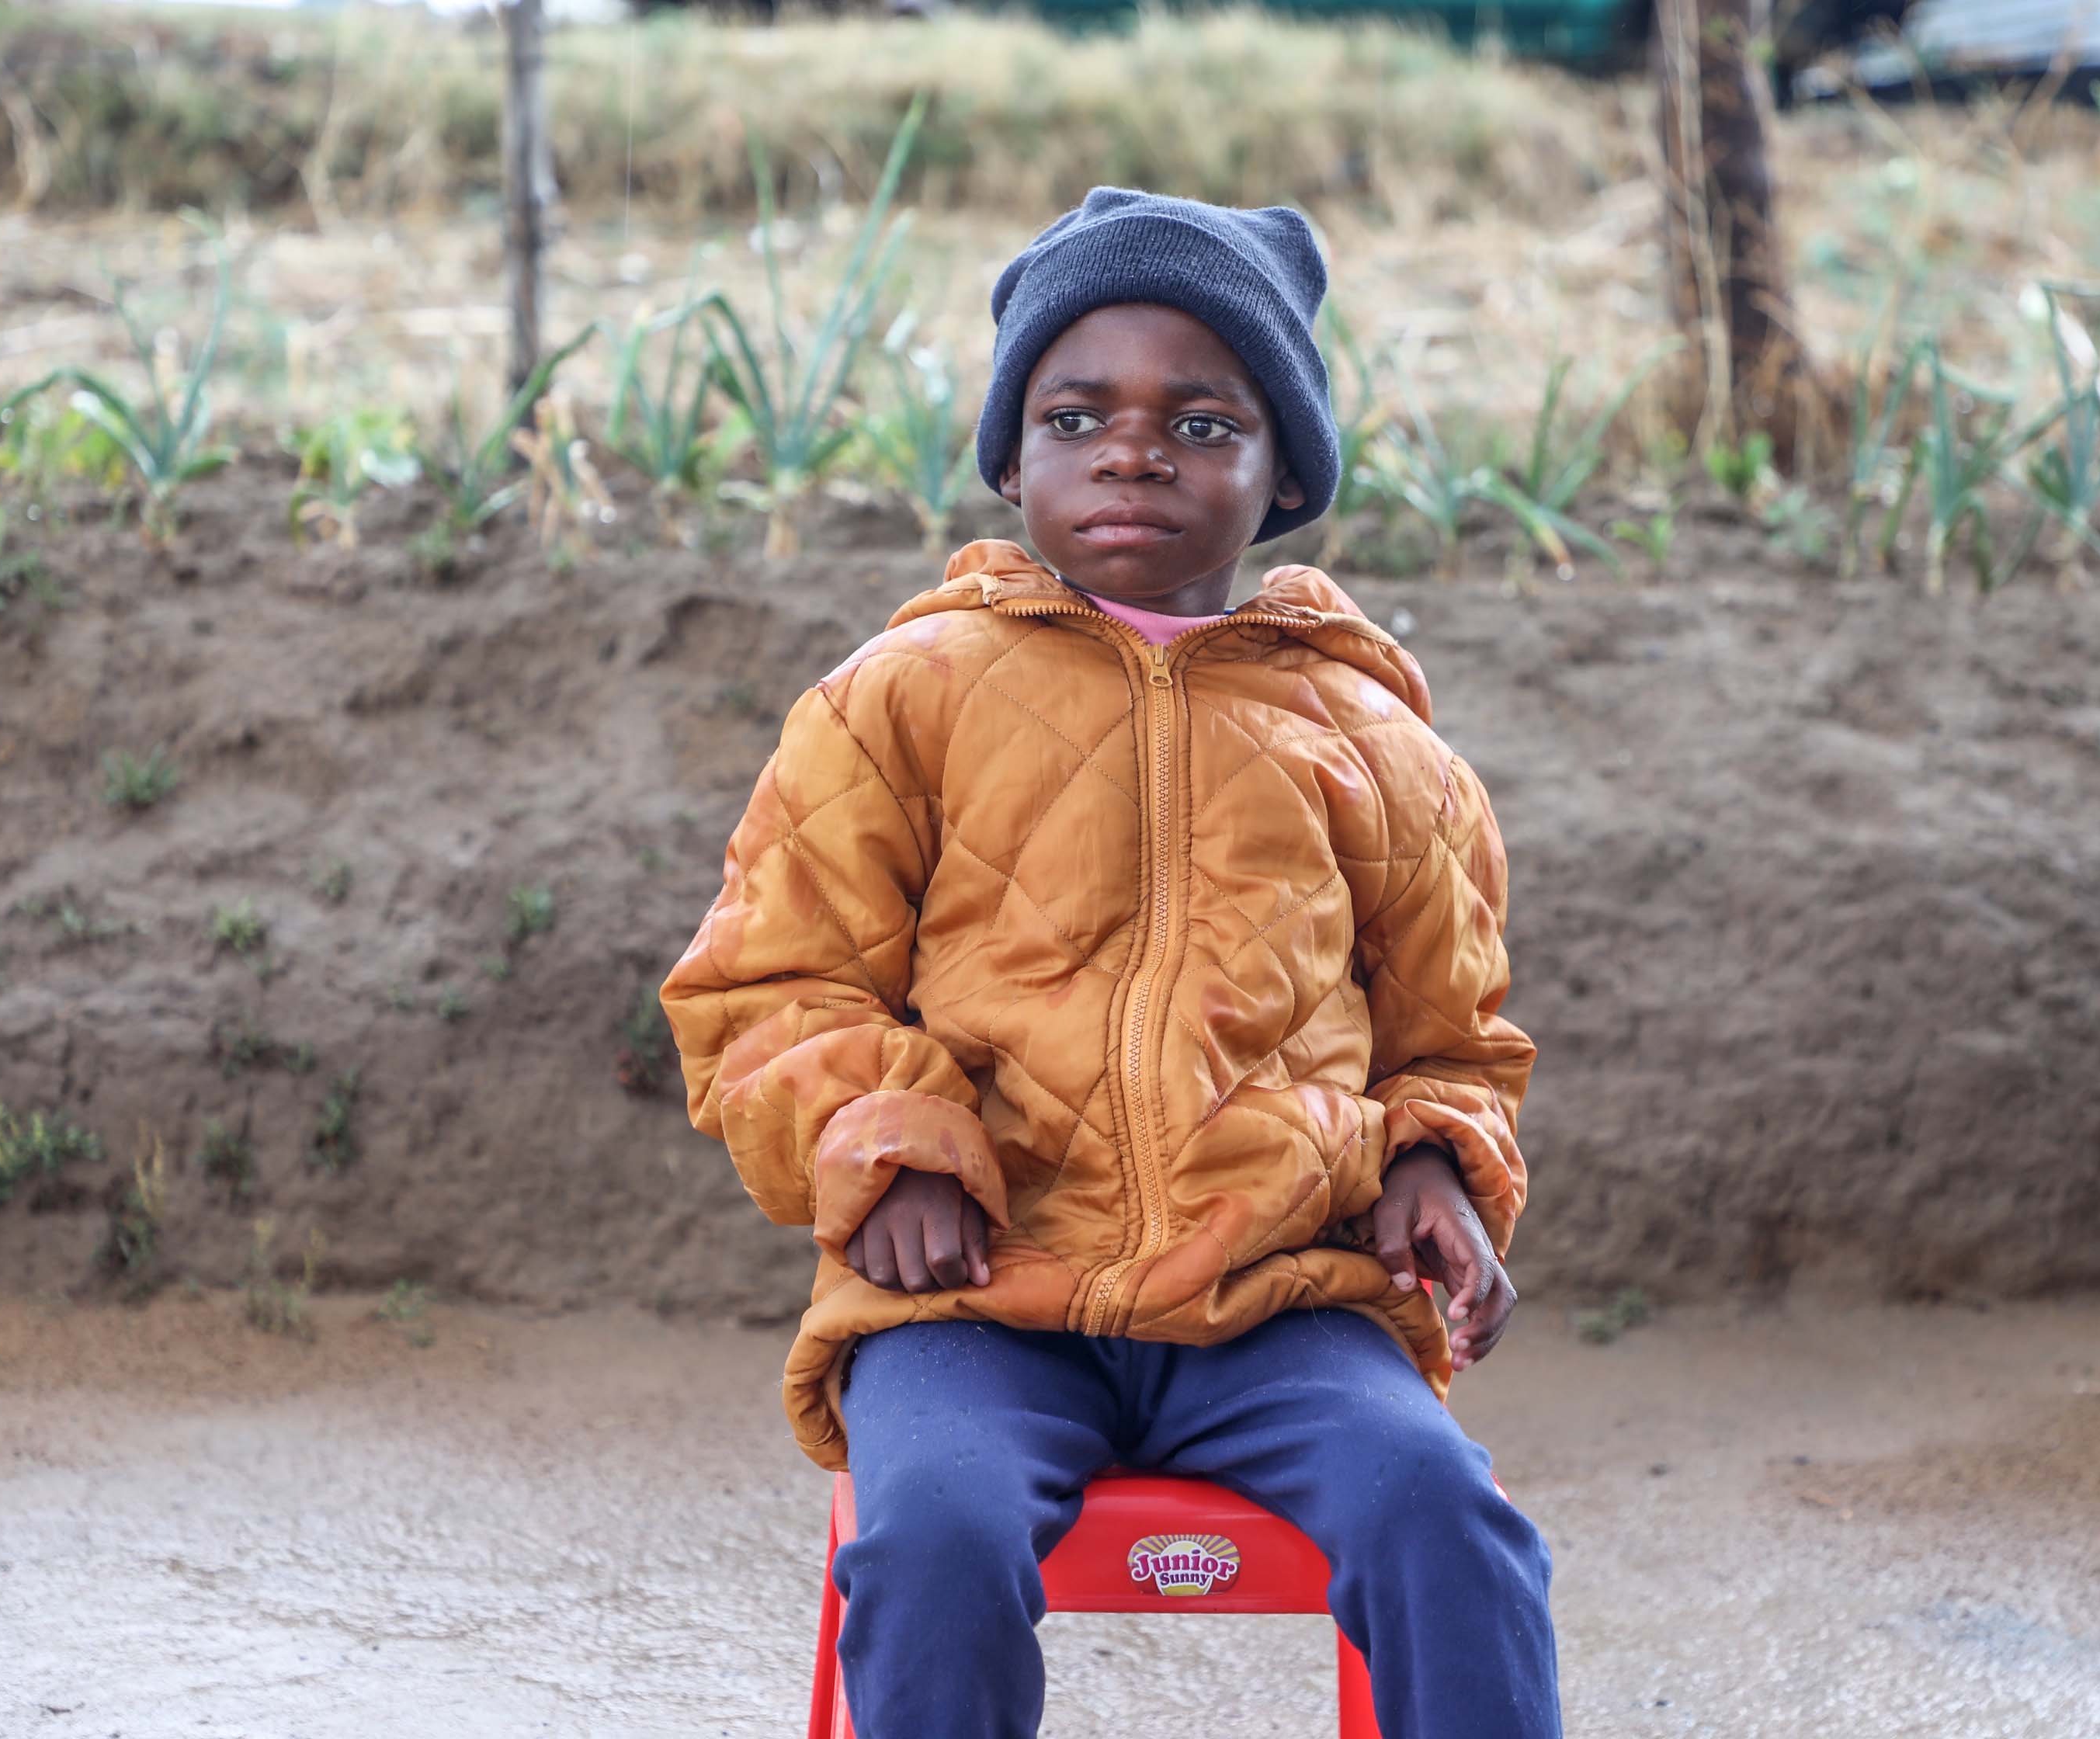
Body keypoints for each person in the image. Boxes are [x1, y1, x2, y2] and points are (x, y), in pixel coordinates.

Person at [661, 188, 1558, 1737]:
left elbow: (1451, 1035)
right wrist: (896, 1144)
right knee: (931, 1534)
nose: (1135, 451)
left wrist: (1438, 1166)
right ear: (1014, 457)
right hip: (977, 1302)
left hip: (1281, 1298)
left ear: (1284, 478)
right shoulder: (901, 700)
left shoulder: (1378, 746)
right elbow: (766, 990)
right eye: (1079, 415)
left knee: (1447, 1516)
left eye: (1204, 424)